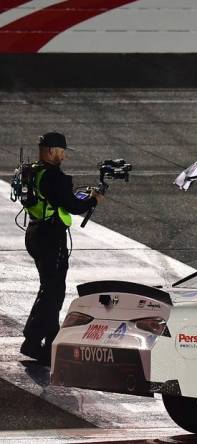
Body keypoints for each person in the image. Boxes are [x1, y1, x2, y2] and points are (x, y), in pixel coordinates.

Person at [20, 132, 103, 364]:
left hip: (36, 233)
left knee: (49, 288)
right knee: (52, 291)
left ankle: (47, 340)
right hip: (50, 237)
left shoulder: (34, 170)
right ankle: (34, 341)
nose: (63, 156)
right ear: (50, 151)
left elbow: (58, 199)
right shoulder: (54, 176)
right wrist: (92, 200)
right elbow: (72, 205)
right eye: (61, 151)